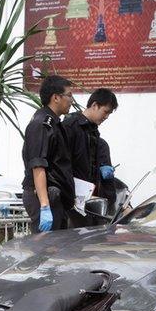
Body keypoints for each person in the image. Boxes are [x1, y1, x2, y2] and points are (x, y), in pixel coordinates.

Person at [22, 75, 76, 233]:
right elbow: (38, 165)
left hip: (54, 197)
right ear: (56, 97)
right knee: (46, 252)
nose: (72, 100)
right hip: (44, 197)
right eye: (69, 95)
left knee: (55, 252)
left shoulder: (54, 123)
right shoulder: (41, 124)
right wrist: (44, 206)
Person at [62, 88, 119, 224]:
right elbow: (63, 163)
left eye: (109, 114)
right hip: (73, 197)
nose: (106, 117)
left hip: (88, 196)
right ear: (94, 105)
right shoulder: (71, 126)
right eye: (105, 112)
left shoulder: (93, 131)